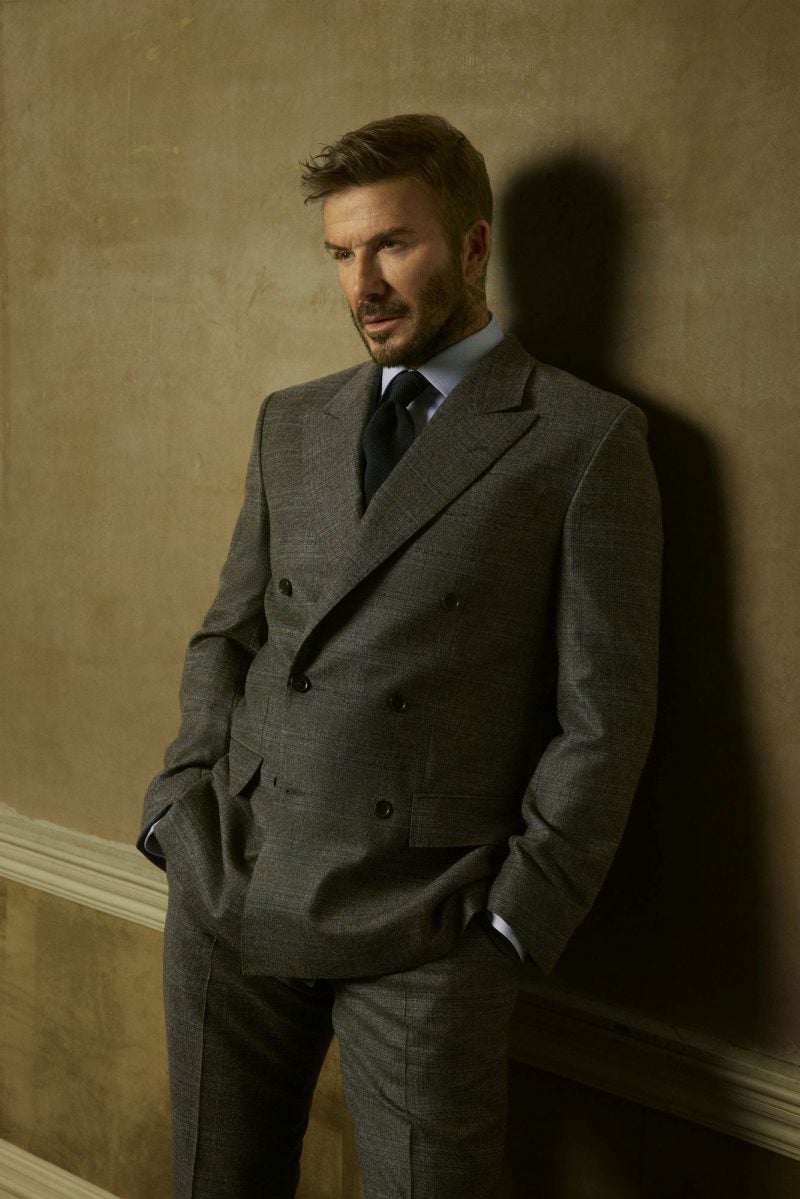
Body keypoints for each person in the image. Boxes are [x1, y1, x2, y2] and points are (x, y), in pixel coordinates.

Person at [138, 113, 662, 1199]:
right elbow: (231, 632)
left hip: (428, 927)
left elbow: (604, 714)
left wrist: (512, 919)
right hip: (234, 881)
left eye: (391, 244)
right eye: (340, 252)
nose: (361, 284)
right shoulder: (294, 420)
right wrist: (178, 805)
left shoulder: (581, 436)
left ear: (471, 246)